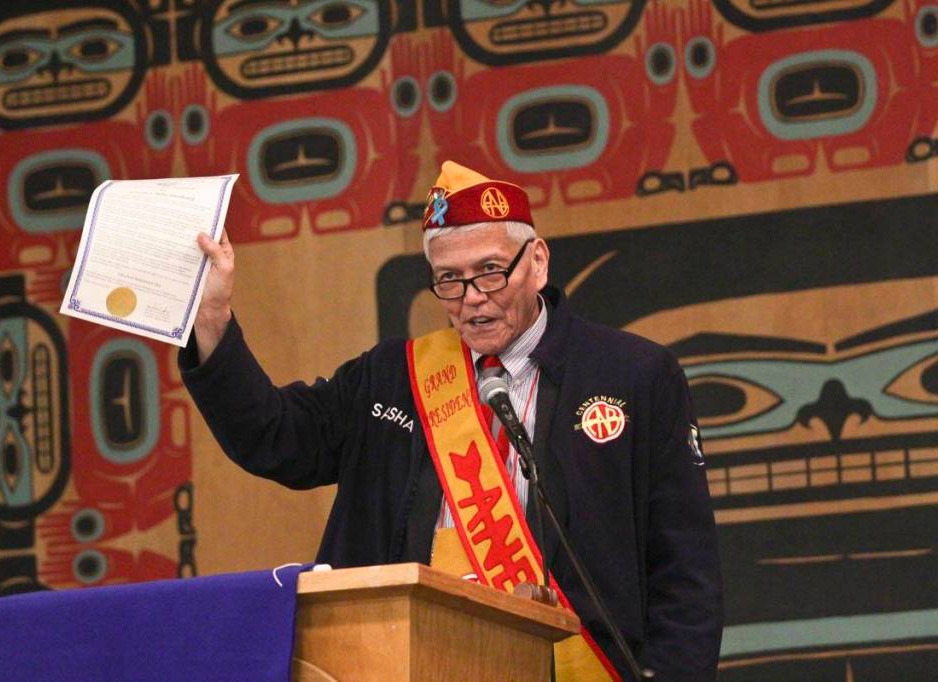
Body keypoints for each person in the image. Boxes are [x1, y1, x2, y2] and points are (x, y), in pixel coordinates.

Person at [179, 161, 724, 680]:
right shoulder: (390, 377)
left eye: (490, 271)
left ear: (537, 262)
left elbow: (685, 572)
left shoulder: (634, 375)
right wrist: (212, 318)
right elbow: (272, 437)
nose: (473, 299)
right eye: (449, 279)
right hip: (405, 663)